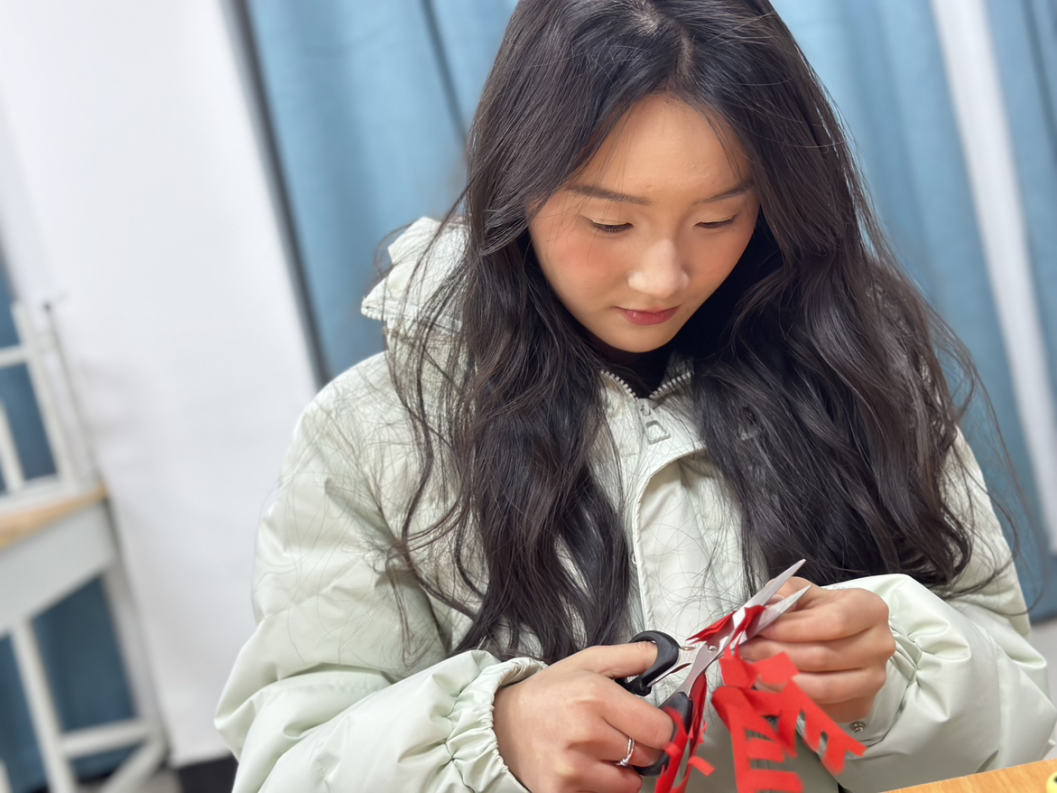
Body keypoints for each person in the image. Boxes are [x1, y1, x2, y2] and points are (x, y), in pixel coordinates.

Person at [216, 1, 1057, 791]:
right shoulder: (369, 434)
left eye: (717, 219)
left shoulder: (855, 365)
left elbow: (1022, 720)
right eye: (609, 224)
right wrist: (495, 734)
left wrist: (896, 673)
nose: (662, 276)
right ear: (517, 185)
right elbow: (287, 763)